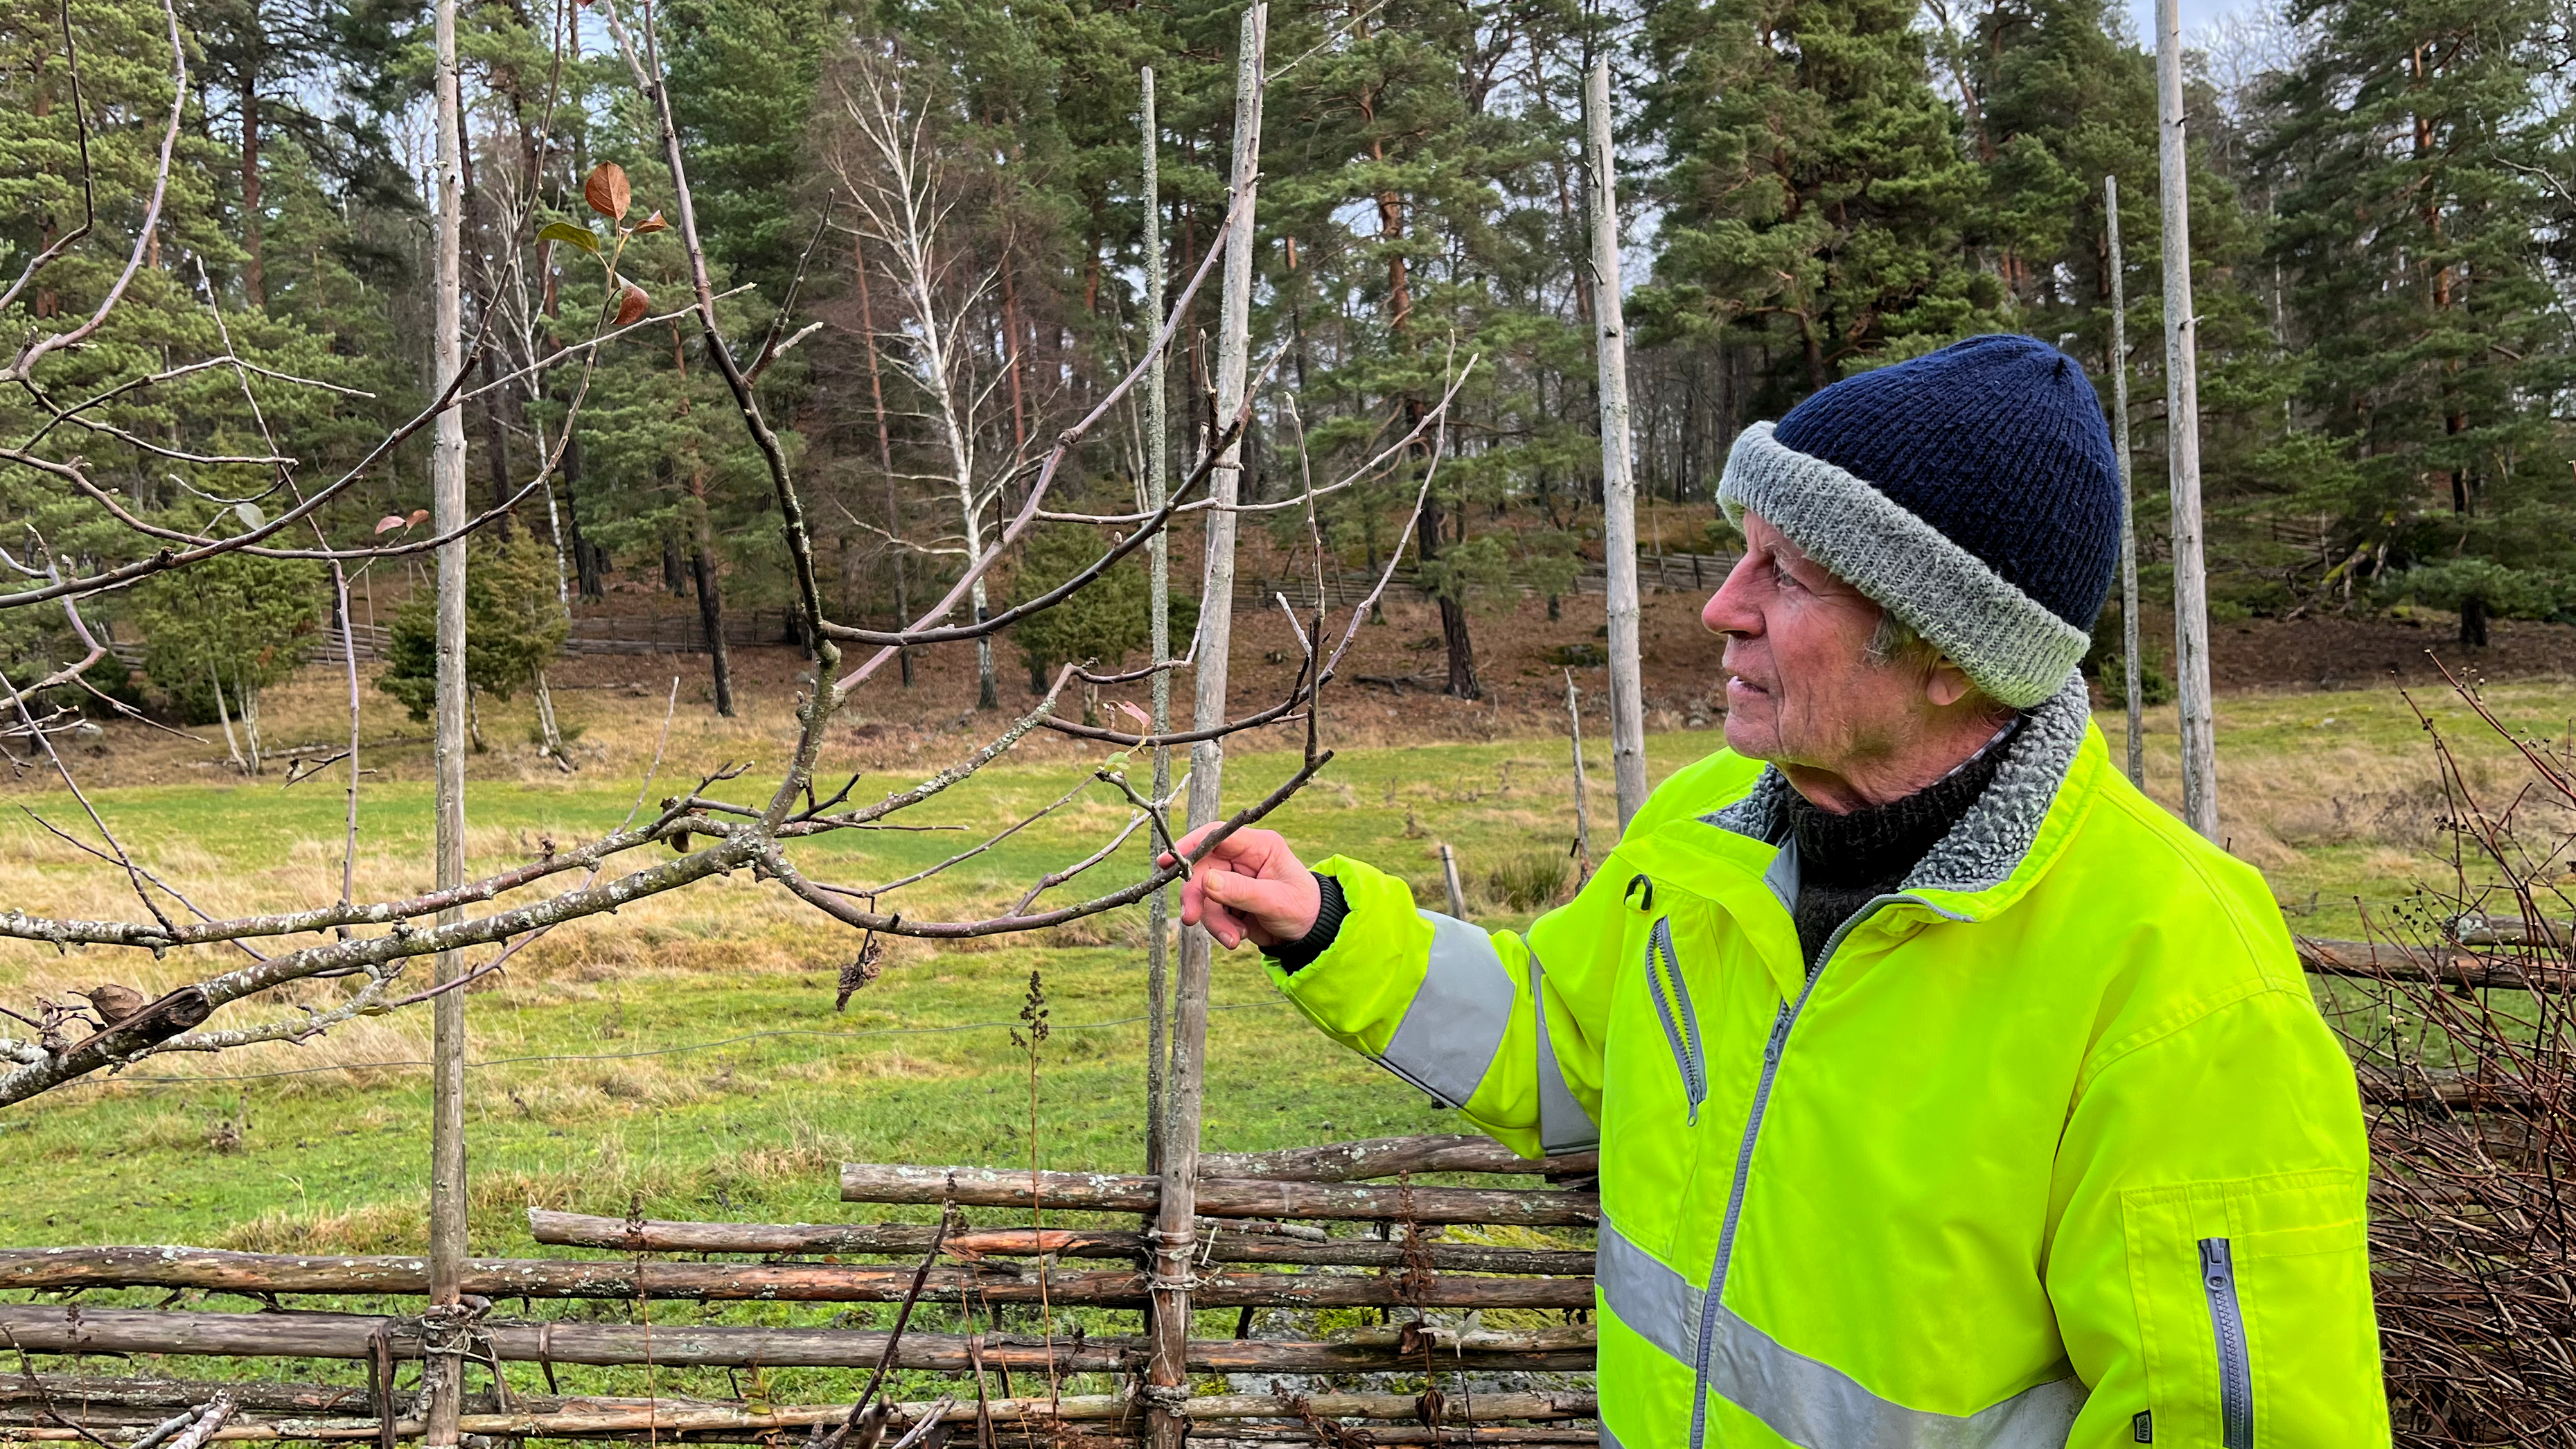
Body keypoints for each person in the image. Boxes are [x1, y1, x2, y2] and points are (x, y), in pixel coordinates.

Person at [1163, 335, 2386, 1448]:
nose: (1721, 608)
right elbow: (1567, 1045)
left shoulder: (2180, 981)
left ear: (1947, 655)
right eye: (1741, 553)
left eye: (1786, 576)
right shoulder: (1703, 827)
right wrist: (1326, 926)